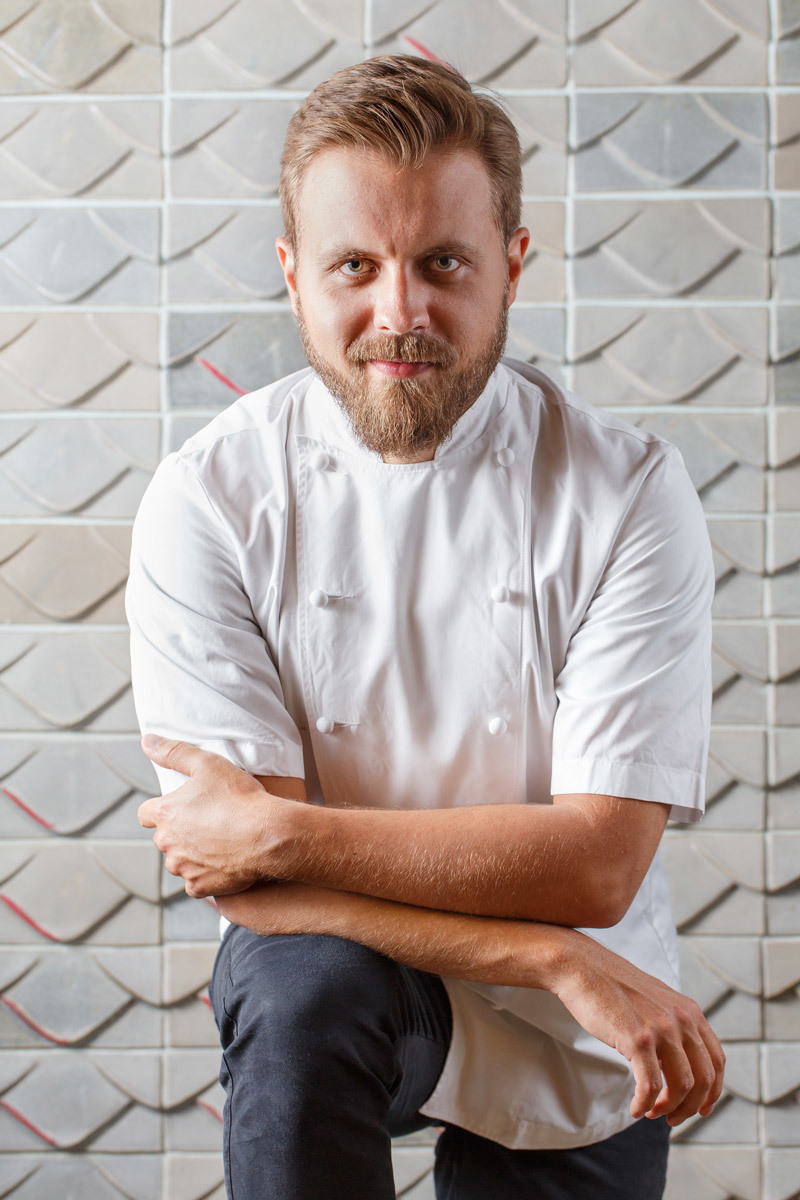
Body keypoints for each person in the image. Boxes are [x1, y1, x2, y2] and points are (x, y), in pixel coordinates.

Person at [126, 54, 724, 1200]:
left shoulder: (625, 493)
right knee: (295, 985)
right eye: (355, 264)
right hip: (406, 982)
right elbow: (248, 891)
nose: (398, 313)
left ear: (510, 265)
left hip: (589, 1027)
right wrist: (540, 949)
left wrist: (280, 837)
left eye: (441, 263)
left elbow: (597, 863)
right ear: (294, 276)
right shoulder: (210, 501)